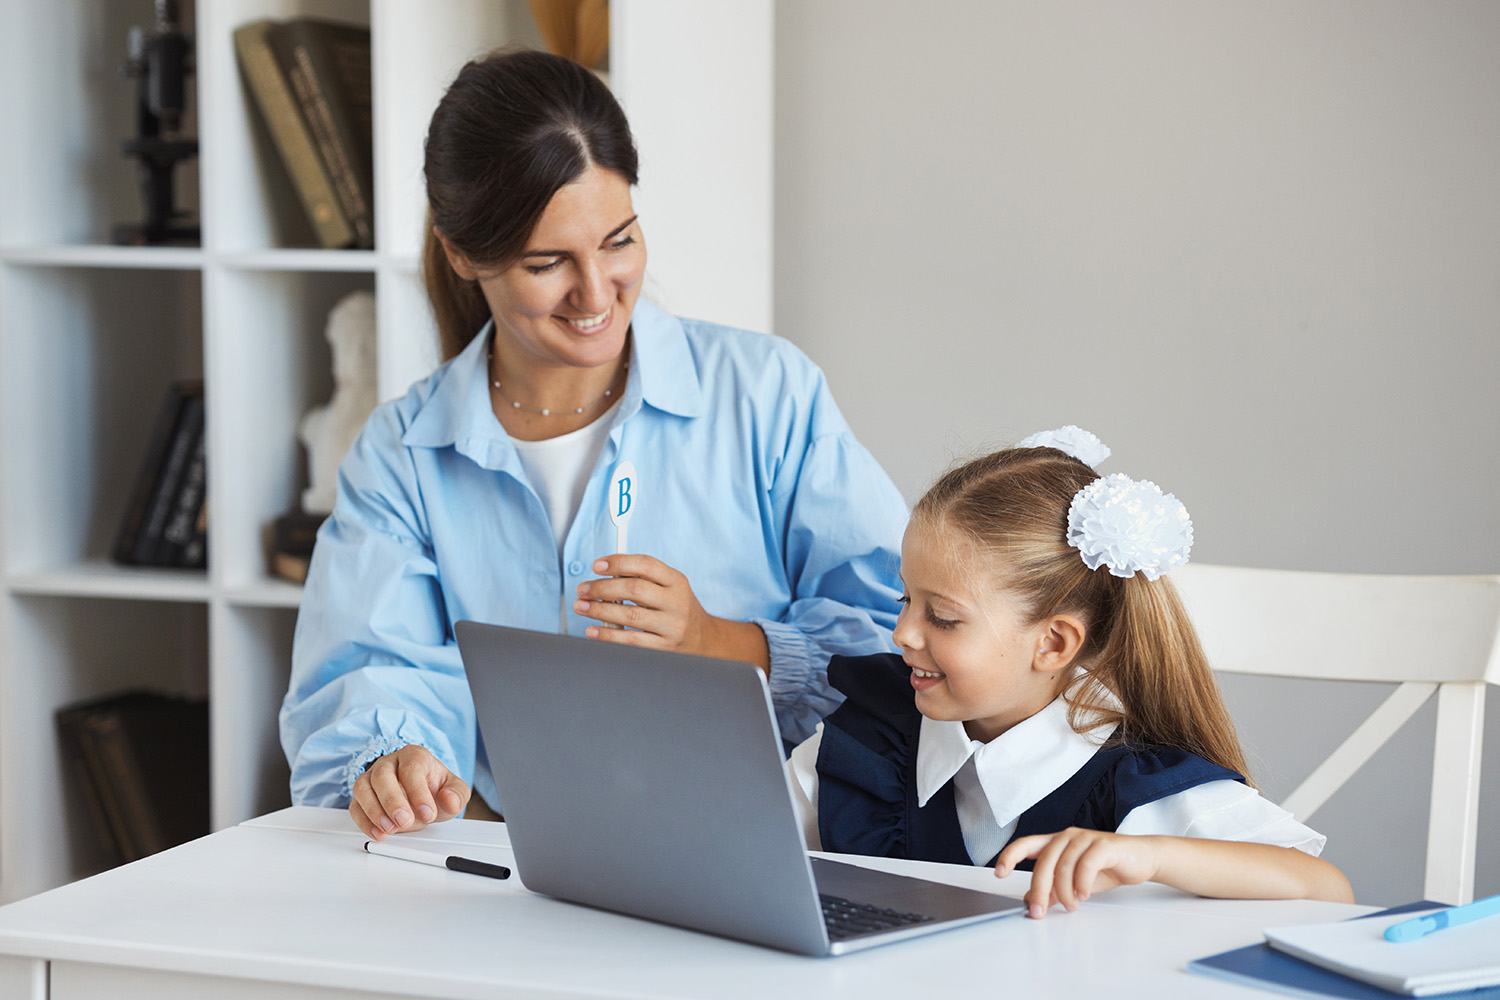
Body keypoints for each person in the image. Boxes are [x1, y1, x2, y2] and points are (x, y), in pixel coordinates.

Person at [281, 49, 907, 842]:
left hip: (761, 849)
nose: (596, 292)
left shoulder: (766, 393)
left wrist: (720, 642)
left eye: (619, 241)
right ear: (462, 253)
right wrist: (394, 760)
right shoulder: (403, 452)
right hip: (510, 873)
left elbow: (900, 643)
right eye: (548, 263)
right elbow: (371, 669)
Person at [787, 426, 1354, 916]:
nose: (903, 634)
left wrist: (1154, 855)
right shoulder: (869, 735)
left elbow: (1327, 893)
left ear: (1054, 643)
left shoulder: (1131, 784)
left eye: (943, 617)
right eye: (904, 599)